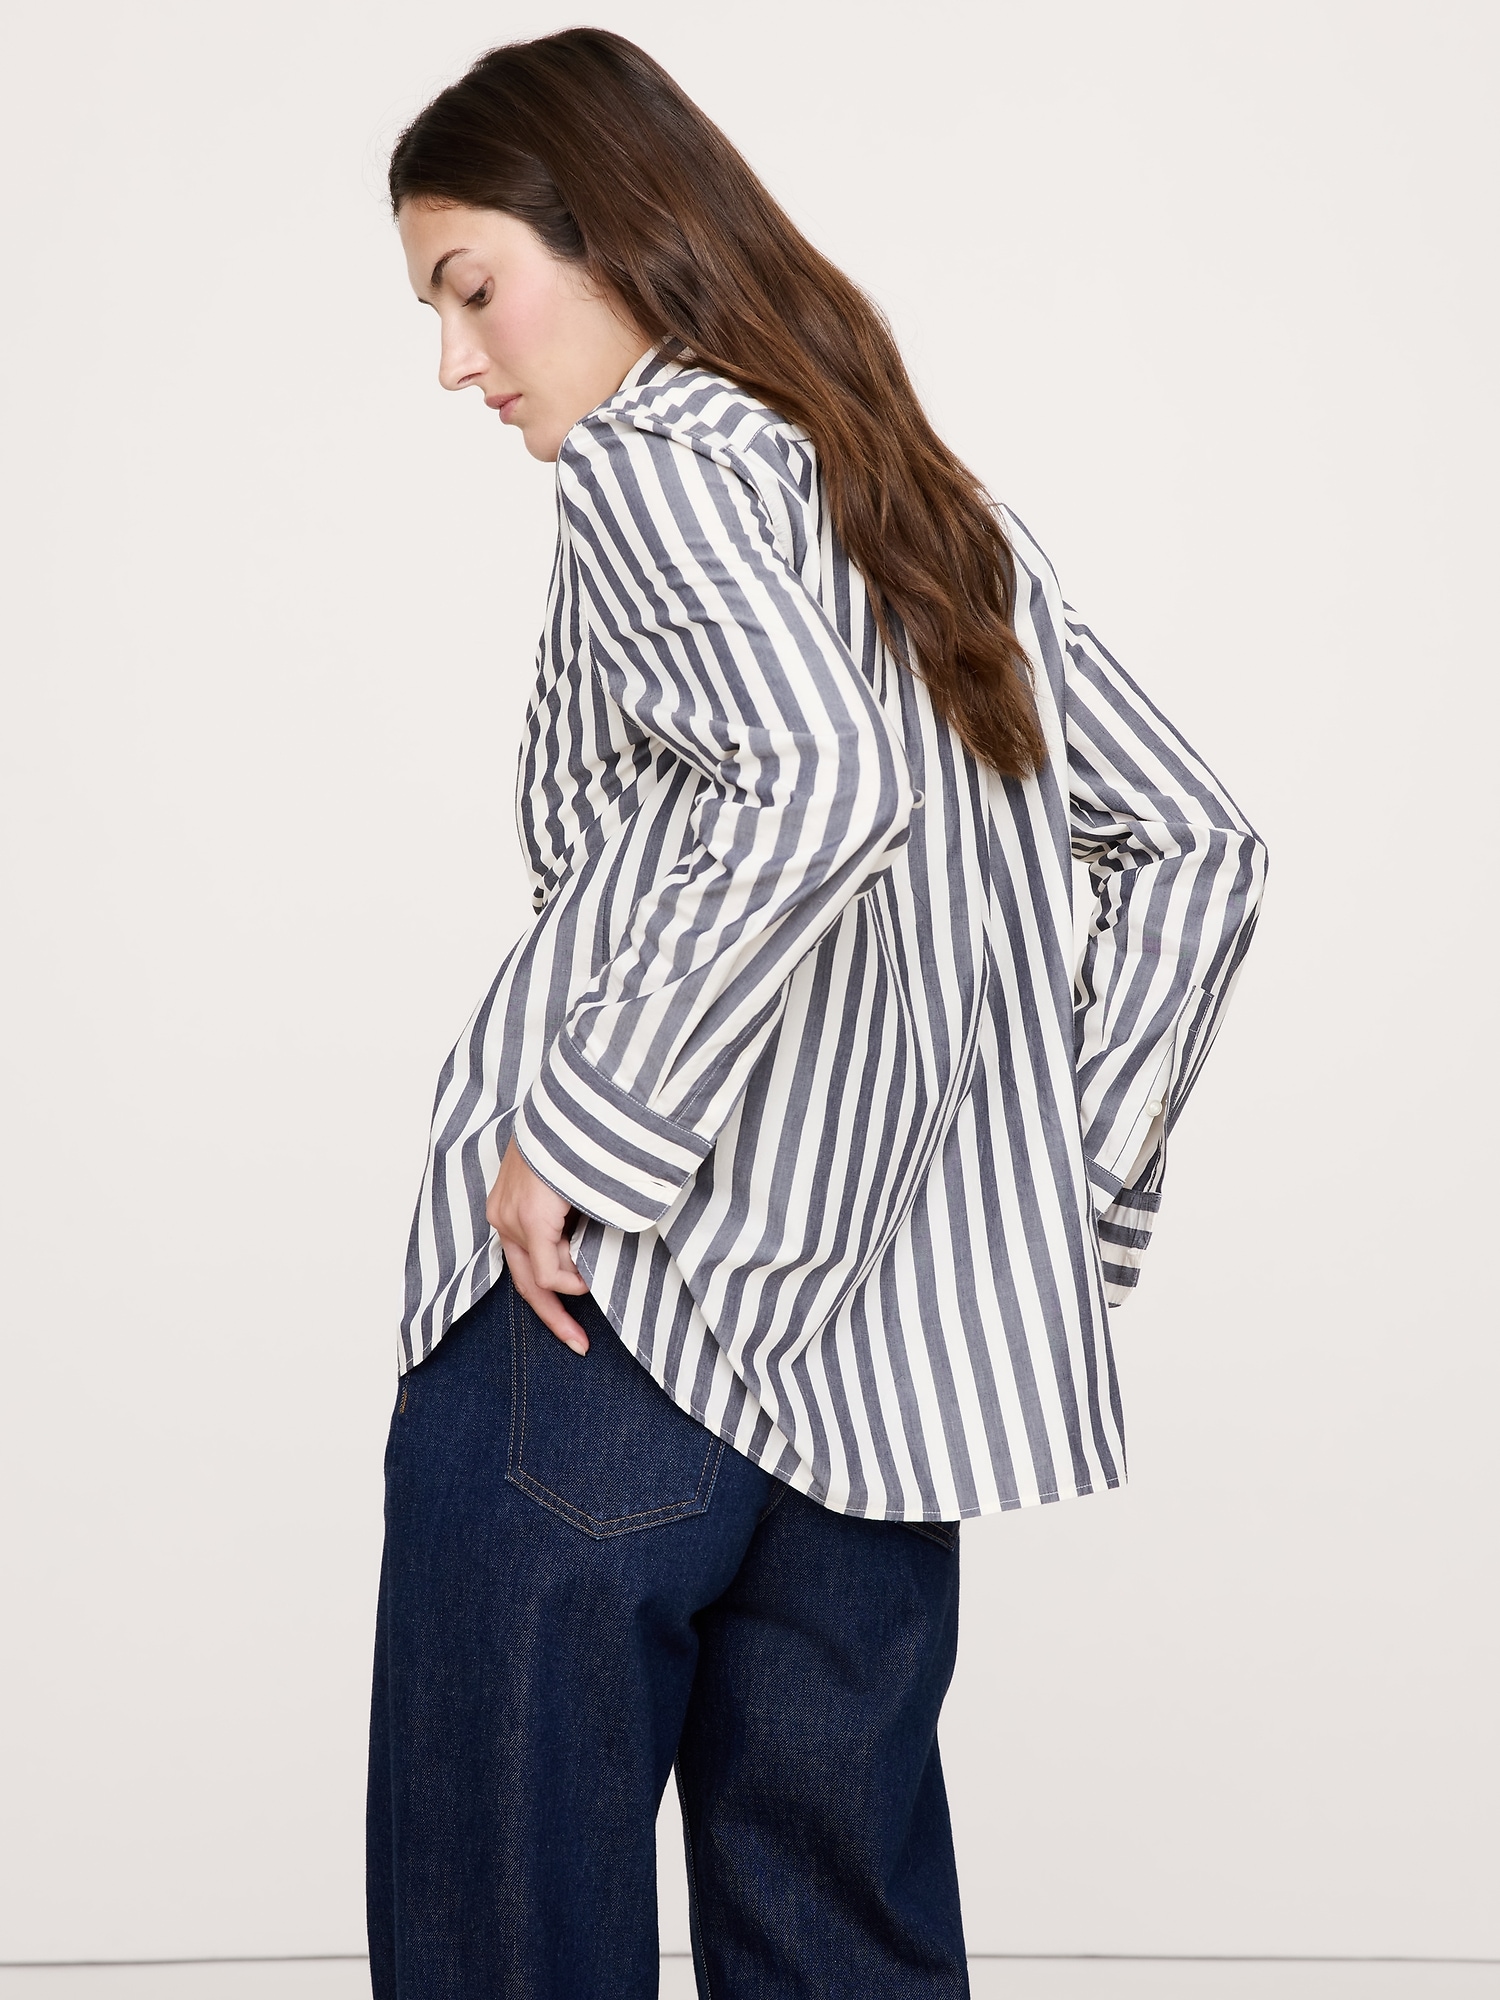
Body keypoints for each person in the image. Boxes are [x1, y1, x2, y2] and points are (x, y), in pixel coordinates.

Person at [367, 27, 1267, 2000]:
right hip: (874, 1376)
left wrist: (586, 1126)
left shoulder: (651, 462)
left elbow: (817, 781)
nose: (455, 361)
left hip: (603, 1322)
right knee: (841, 1947)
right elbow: (1201, 846)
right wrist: (1060, 1205)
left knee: (508, 1941)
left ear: (611, 233)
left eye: (470, 287)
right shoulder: (925, 509)